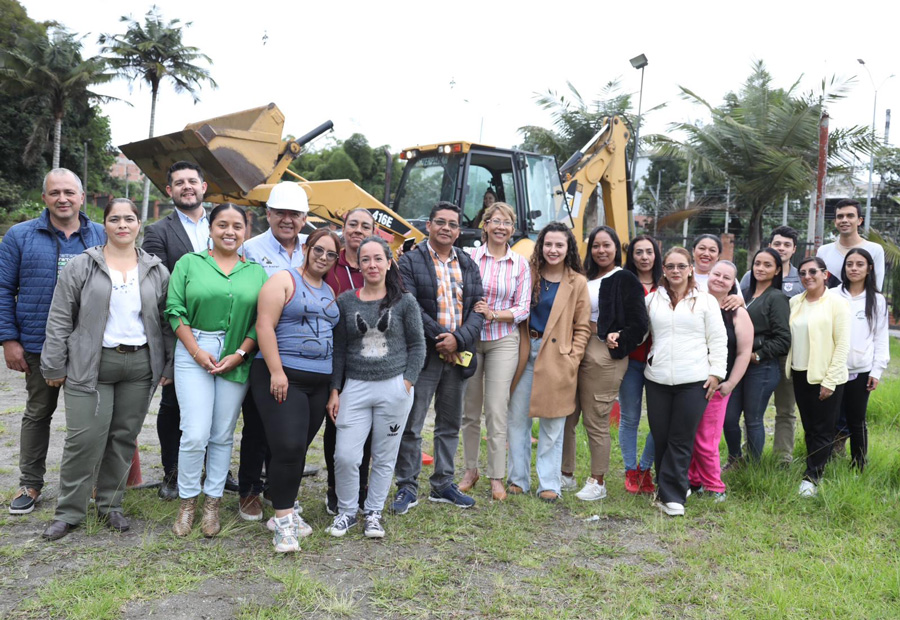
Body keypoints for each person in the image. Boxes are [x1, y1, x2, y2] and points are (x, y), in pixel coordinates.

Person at [38, 199, 173, 540]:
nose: (122, 225)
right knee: (84, 439)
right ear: (105, 224)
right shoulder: (83, 265)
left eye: (129, 218)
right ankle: (69, 511)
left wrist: (168, 363)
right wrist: (53, 363)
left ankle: (111, 504)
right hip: (92, 364)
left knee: (123, 438)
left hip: (140, 365)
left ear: (139, 224)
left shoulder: (156, 269)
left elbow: (168, 321)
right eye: (115, 219)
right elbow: (59, 317)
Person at [0, 168, 105, 515]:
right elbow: (3, 289)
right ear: (44, 198)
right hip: (37, 343)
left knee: (91, 417)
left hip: (91, 346)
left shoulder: (102, 236)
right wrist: (8, 339)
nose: (63, 199)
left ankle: (89, 482)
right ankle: (30, 482)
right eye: (55, 192)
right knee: (37, 413)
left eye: (69, 192)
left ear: (82, 197)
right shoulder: (20, 236)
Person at [166, 203, 267, 537]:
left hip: (236, 355)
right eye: (222, 224)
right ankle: (187, 502)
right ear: (210, 229)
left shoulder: (255, 272)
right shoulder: (189, 264)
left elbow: (261, 322)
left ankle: (212, 504)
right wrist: (195, 351)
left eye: (237, 226)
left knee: (222, 433)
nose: (230, 232)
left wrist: (240, 353)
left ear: (246, 232)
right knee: (195, 432)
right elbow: (174, 310)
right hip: (194, 349)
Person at [326, 236, 426, 538]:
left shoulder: (405, 302)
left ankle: (373, 513)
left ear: (388, 262)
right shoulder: (346, 301)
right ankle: (346, 512)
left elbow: (418, 345)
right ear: (357, 263)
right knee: (345, 456)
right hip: (355, 387)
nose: (371, 264)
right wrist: (335, 390)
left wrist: (406, 382)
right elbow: (340, 350)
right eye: (365, 258)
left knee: (384, 456)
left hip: (393, 387)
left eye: (377, 258)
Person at [392, 202, 484, 514]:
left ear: (459, 231)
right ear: (429, 225)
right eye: (440, 222)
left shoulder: (469, 264)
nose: (446, 228)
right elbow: (410, 304)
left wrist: (457, 340)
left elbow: (477, 309)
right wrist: (441, 340)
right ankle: (407, 484)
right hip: (424, 354)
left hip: (458, 355)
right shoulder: (411, 260)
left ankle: (443, 483)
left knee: (449, 423)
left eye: (452, 224)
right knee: (413, 423)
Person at [252, 228, 340, 552]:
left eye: (331, 254)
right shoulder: (283, 280)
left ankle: (282, 510)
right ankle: (284, 521)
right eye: (319, 250)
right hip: (282, 375)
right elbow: (264, 324)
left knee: (297, 449)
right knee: (288, 446)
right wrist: (276, 371)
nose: (323, 258)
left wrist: (333, 389)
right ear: (307, 247)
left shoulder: (330, 291)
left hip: (319, 382)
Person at [237, 182, 310, 521]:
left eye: (294, 214)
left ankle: (275, 488)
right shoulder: (250, 248)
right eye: (280, 213)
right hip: (259, 349)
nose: (287, 220)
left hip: (298, 353)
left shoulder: (312, 250)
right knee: (256, 424)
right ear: (267, 214)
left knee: (286, 429)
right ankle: (249, 489)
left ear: (305, 218)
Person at [142, 161, 212, 500]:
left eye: (192, 181)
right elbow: (161, 286)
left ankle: (216, 470)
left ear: (204, 186)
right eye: (179, 183)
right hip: (179, 327)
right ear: (169, 191)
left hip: (223, 329)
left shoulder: (223, 225)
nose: (187, 187)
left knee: (218, 405)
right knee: (173, 404)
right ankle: (172, 473)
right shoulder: (158, 232)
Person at [507, 222, 591, 502]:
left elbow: (583, 327)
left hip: (557, 357)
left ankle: (549, 483)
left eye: (559, 245)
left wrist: (572, 357)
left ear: (568, 249)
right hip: (525, 351)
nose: (553, 250)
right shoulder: (527, 274)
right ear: (540, 246)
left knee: (553, 426)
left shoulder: (577, 282)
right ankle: (518, 478)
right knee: (517, 420)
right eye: (548, 244)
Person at [562, 226, 648, 501]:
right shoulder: (582, 277)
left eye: (607, 245)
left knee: (596, 419)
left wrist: (620, 338)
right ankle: (565, 474)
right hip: (575, 346)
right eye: (596, 246)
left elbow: (640, 323)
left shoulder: (624, 279)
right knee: (566, 415)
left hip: (603, 352)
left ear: (616, 248)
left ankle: (597, 482)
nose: (601, 250)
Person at [644, 247, 727, 517]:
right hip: (657, 380)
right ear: (664, 271)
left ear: (691, 268)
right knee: (661, 437)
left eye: (681, 266)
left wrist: (716, 373)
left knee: (681, 438)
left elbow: (718, 340)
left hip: (694, 380)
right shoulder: (652, 301)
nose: (676, 271)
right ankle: (665, 488)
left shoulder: (705, 301)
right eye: (670, 267)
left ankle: (674, 496)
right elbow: (641, 333)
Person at [459, 202, 530, 502]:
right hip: (472, 340)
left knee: (497, 410)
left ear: (512, 230)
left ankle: (496, 477)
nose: (501, 227)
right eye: (495, 221)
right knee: (470, 410)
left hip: (503, 339)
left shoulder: (520, 264)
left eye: (507, 223)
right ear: (485, 225)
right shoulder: (470, 257)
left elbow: (523, 307)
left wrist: (494, 314)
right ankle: (470, 469)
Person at [323, 207, 378, 516]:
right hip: (331, 354)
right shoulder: (332, 261)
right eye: (352, 224)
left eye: (365, 225)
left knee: (366, 428)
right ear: (342, 228)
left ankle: (362, 487)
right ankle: (334, 486)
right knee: (336, 426)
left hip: (367, 359)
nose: (358, 229)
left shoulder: (380, 263)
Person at [687, 261, 752, 502]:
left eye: (727, 277)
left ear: (733, 284)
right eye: (716, 274)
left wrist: (731, 384)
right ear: (708, 276)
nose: (720, 280)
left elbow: (744, 352)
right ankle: (694, 481)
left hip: (717, 386)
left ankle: (715, 486)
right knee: (690, 435)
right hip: (690, 382)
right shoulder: (695, 302)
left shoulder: (738, 312)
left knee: (706, 438)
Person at [740, 225, 803, 463]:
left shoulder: (802, 277)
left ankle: (782, 458)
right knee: (753, 411)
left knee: (785, 409)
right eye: (777, 243)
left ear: (794, 249)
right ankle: (749, 454)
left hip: (789, 353)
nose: (782, 248)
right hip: (757, 353)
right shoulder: (750, 276)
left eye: (787, 245)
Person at [788, 256, 850, 497]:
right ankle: (813, 464)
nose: (807, 276)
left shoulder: (836, 303)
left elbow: (842, 345)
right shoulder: (796, 302)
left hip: (826, 375)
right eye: (802, 273)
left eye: (813, 271)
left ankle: (812, 477)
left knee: (824, 428)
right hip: (800, 372)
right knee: (810, 426)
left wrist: (830, 380)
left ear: (825, 274)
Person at [723, 248, 790, 464]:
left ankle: (753, 467)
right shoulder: (744, 293)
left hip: (762, 368)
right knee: (728, 417)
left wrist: (756, 356)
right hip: (736, 367)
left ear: (777, 270)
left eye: (767, 265)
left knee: (752, 419)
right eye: (757, 263)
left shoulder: (777, 297)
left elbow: (783, 339)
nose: (760, 268)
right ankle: (735, 459)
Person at [836, 249, 889, 470]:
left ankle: (859, 465)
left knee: (857, 420)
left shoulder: (876, 300)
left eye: (859, 264)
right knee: (829, 421)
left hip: (861, 370)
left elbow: (880, 337)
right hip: (833, 370)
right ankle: (824, 460)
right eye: (850, 264)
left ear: (869, 268)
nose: (854, 269)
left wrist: (876, 371)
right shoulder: (832, 295)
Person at [617, 235, 662, 495]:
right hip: (632, 360)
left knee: (659, 420)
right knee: (630, 418)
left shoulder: (667, 283)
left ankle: (646, 468)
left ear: (656, 255)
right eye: (638, 252)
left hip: (660, 361)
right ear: (631, 256)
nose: (644, 257)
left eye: (649, 252)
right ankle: (630, 470)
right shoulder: (624, 283)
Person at [816, 199, 885, 289]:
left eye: (850, 216)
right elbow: (818, 286)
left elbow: (876, 287)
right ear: (835, 222)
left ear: (859, 221)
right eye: (840, 216)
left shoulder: (875, 249)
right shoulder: (823, 251)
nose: (844, 220)